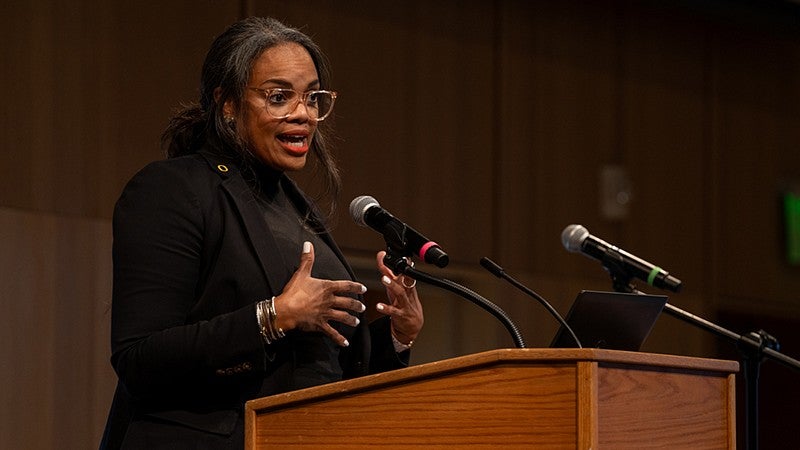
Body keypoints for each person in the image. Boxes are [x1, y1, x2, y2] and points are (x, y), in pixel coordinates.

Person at [100, 16, 423, 449]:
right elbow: (140, 358)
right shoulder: (173, 189)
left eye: (313, 98)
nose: (303, 114)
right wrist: (273, 316)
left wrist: (397, 336)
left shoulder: (294, 206)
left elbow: (324, 366)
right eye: (278, 97)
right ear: (227, 103)